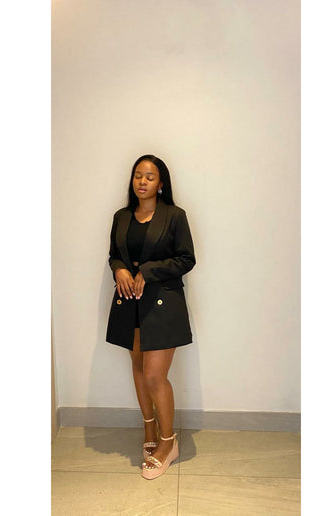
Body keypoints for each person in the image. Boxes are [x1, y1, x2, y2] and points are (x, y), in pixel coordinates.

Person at [105, 154, 196, 480]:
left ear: (161, 184)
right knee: (139, 368)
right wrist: (119, 270)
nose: (142, 181)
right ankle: (149, 428)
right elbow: (115, 255)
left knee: (156, 375)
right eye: (138, 175)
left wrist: (148, 271)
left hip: (162, 303)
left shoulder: (174, 216)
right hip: (129, 302)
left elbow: (186, 259)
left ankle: (168, 443)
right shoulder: (121, 217)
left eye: (150, 176)